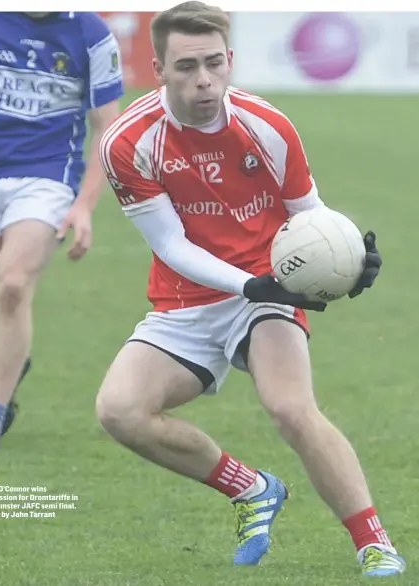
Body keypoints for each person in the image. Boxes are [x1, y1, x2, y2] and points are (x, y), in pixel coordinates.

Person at [97, 1, 405, 577]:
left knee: (291, 408)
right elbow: (170, 245)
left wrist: (353, 256)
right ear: (158, 68)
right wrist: (247, 283)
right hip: (189, 297)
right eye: (186, 67)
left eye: (215, 63)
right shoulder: (128, 141)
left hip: (271, 293)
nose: (204, 79)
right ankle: (253, 489)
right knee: (121, 411)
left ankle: (374, 541)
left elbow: (308, 213)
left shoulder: (268, 125)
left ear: (230, 59)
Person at [0, 11, 124, 453]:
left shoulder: (90, 34)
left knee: (13, 284)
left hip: (48, 179)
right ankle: (12, 361)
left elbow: (107, 129)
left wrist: (85, 206)